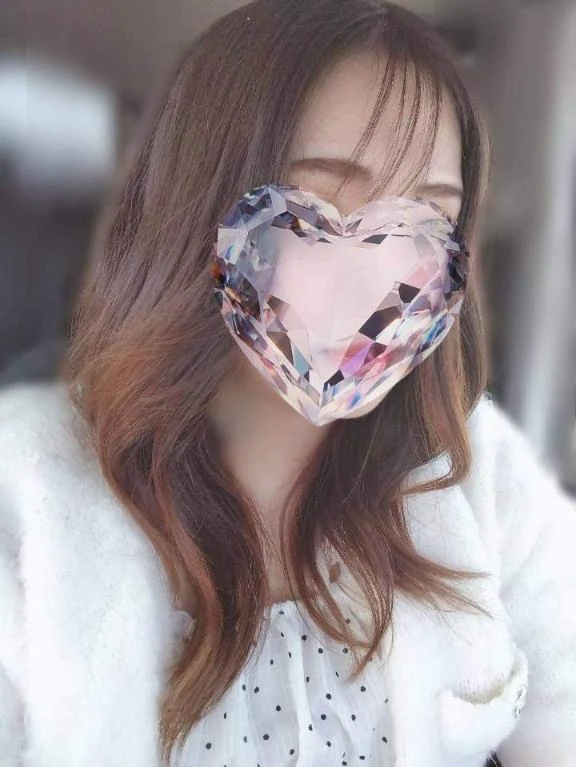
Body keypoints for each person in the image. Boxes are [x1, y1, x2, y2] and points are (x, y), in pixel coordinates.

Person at [0, 1, 575, 766]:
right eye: (325, 200)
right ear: (198, 205)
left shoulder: (481, 474)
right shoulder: (22, 503)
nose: (379, 270)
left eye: (426, 216)